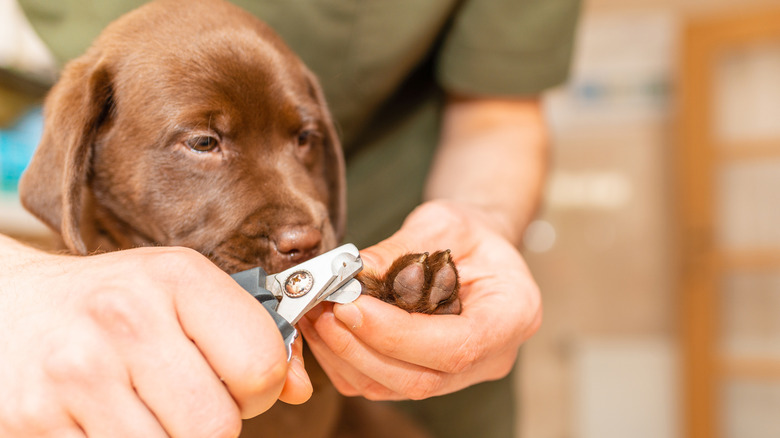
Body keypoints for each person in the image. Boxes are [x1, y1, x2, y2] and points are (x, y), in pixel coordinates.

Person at [12, 0, 581, 437]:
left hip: (385, 354)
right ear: (83, 149)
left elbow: (497, 114)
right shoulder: (71, 349)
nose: (298, 225)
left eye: (303, 138)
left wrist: (478, 223)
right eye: (205, 142)